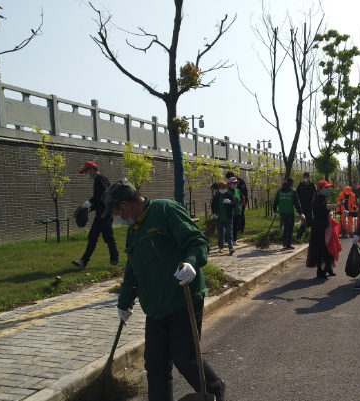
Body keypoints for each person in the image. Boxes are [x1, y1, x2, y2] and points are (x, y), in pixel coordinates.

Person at [102, 179, 226, 401]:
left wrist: (192, 263)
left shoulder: (165, 210)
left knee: (184, 356)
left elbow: (198, 241)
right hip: (155, 306)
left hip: (182, 299)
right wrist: (124, 302)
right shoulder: (134, 230)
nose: (117, 217)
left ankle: (215, 389)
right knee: (155, 363)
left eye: (116, 212)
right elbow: (132, 269)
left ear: (125, 205)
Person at [72, 162, 118, 269]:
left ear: (91, 170)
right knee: (108, 237)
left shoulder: (99, 179)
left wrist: (90, 202)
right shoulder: (101, 178)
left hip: (103, 214)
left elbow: (102, 195)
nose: (85, 174)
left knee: (93, 235)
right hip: (107, 212)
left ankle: (84, 261)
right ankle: (114, 260)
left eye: (86, 172)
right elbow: (101, 199)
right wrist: (90, 208)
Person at [306, 180, 343, 278]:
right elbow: (325, 207)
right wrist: (336, 205)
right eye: (325, 187)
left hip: (325, 226)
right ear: (320, 189)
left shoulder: (324, 198)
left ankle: (328, 267)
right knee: (320, 248)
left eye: (328, 187)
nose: (327, 189)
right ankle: (320, 270)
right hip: (319, 227)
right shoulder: (318, 199)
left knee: (328, 246)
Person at [273, 177, 304, 250]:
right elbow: (296, 204)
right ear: (292, 183)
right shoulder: (293, 191)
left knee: (286, 227)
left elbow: (275, 202)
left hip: (282, 212)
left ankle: (284, 242)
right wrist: (301, 213)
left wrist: (274, 211)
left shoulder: (280, 190)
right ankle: (288, 244)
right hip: (290, 212)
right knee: (290, 228)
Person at [211, 181, 237, 255]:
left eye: (224, 188)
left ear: (226, 188)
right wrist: (214, 213)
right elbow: (213, 206)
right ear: (218, 188)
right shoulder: (216, 196)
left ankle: (231, 247)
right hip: (219, 218)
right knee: (220, 233)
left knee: (229, 233)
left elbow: (235, 204)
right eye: (221, 188)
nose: (222, 189)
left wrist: (230, 202)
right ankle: (221, 247)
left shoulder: (229, 195)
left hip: (228, 217)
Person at [226, 177, 242, 245]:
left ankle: (234, 240)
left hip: (237, 211)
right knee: (228, 226)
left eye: (236, 183)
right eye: (234, 183)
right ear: (229, 184)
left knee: (235, 226)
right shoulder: (226, 191)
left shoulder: (238, 191)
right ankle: (227, 241)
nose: (235, 184)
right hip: (229, 211)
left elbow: (241, 199)